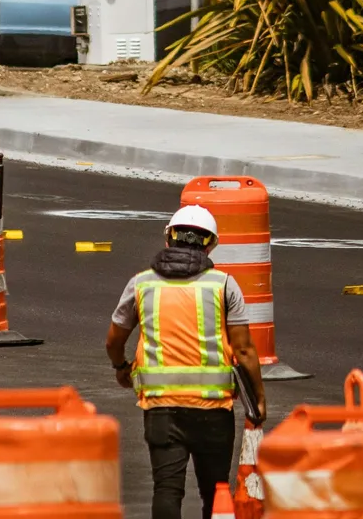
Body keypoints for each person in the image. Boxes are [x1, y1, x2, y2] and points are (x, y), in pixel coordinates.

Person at [106, 205, 267, 519]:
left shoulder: (141, 284)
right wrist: (258, 400)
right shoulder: (223, 285)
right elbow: (245, 350)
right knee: (216, 493)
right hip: (213, 412)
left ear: (169, 238)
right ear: (210, 245)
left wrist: (121, 368)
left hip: (161, 409)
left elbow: (114, 340)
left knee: (167, 488)